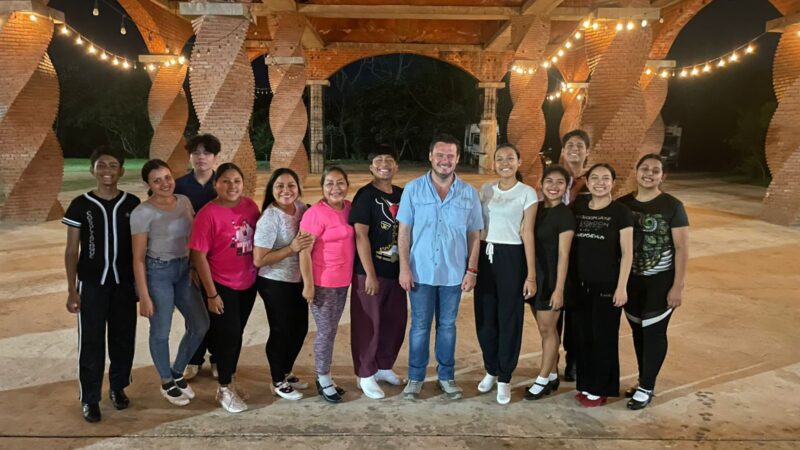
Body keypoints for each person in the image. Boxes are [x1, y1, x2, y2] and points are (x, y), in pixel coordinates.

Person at [397, 133, 483, 400]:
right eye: (440, 155)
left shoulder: (469, 193)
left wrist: (471, 270)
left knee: (447, 326)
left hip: (453, 274)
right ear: (430, 156)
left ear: (457, 158)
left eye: (450, 156)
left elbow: (474, 235)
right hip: (420, 272)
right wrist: (404, 268)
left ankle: (446, 377)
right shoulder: (413, 189)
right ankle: (415, 378)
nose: (445, 160)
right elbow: (404, 233)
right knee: (420, 326)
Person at [62, 146, 140, 423]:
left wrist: (141, 285)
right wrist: (72, 289)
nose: (107, 171)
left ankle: (118, 387)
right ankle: (90, 397)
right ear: (92, 170)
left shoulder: (132, 203)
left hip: (124, 284)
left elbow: (141, 247)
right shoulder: (80, 204)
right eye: (101, 165)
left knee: (123, 338)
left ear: (121, 170)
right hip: (92, 284)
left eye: (113, 165)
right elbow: (72, 250)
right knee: (91, 342)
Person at [131, 159, 210, 406]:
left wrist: (194, 266)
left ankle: (177, 371)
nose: (164, 183)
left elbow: (194, 236)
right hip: (158, 272)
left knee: (200, 324)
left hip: (184, 269)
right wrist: (144, 295)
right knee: (161, 331)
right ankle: (166, 381)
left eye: (167, 177)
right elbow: (138, 258)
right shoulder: (143, 212)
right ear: (148, 184)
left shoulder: (184, 201)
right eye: (157, 180)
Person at [619, 154, 689, 410]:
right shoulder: (623, 204)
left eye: (655, 170)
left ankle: (647, 386)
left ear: (663, 176)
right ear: (636, 171)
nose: (649, 174)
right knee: (638, 331)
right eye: (645, 168)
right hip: (631, 280)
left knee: (654, 332)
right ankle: (643, 380)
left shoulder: (673, 206)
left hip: (660, 281)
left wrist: (677, 286)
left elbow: (681, 248)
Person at [189, 163, 259, 413]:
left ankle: (231, 377)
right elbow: (199, 256)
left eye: (237, 181)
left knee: (236, 334)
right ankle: (224, 388)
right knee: (228, 336)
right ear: (215, 184)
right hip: (221, 284)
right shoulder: (207, 214)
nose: (232, 186)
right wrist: (211, 294)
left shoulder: (250, 207)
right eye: (226, 181)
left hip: (248, 283)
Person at [474, 143, 538, 405]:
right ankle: (491, 369)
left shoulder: (527, 193)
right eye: (499, 158)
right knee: (485, 318)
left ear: (518, 162)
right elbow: (477, 228)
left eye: (510, 158)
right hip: (485, 255)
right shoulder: (486, 189)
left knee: (509, 318)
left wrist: (531, 275)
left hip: (512, 257)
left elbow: (528, 233)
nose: (505, 163)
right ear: (494, 163)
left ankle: (505, 377)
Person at [572, 163, 633, 407]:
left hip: (607, 285)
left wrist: (622, 286)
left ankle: (601, 388)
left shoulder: (621, 212)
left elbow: (627, 253)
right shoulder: (579, 209)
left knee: (603, 338)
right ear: (587, 182)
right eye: (595, 178)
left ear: (612, 183)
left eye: (605, 178)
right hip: (580, 285)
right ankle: (586, 384)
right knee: (583, 337)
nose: (600, 182)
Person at [349, 147, 407, 400]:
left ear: (396, 167)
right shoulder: (365, 195)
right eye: (378, 160)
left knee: (394, 322)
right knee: (368, 325)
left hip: (397, 272)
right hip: (370, 272)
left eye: (389, 160)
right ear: (371, 168)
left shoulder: (402, 195)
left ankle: (383, 367)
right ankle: (365, 373)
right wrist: (369, 274)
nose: (384, 164)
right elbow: (360, 235)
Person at [253, 168, 315, 401]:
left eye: (291, 185)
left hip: (297, 280)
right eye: (280, 186)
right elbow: (259, 260)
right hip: (274, 281)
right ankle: (277, 380)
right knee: (281, 330)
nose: (286, 190)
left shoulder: (301, 208)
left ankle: (286, 371)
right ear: (272, 189)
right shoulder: (270, 218)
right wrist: (291, 248)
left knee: (299, 329)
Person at [299, 166, 355, 403]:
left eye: (340, 182)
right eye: (329, 183)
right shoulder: (315, 214)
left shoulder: (349, 208)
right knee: (326, 332)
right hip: (323, 283)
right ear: (322, 188)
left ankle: (326, 376)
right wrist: (308, 285)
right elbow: (304, 251)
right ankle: (322, 378)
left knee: (331, 330)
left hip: (343, 282)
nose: (335, 188)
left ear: (347, 185)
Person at [525, 165, 575, 401]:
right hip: (536, 277)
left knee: (548, 330)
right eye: (549, 181)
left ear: (566, 187)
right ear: (541, 184)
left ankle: (543, 379)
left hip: (553, 279)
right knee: (544, 328)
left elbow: (564, 255)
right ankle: (553, 373)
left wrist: (559, 290)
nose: (554, 186)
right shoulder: (537, 209)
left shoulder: (565, 215)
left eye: (560, 182)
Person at [178, 134, 220, 381]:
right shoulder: (180, 186)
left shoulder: (222, 183)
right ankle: (194, 358)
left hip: (219, 258)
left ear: (215, 157)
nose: (201, 157)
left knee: (217, 311)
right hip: (189, 258)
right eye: (196, 152)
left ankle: (217, 357)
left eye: (206, 153)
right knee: (194, 311)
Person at [558, 129, 591, 382]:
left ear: (587, 152)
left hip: (582, 256)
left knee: (577, 313)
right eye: (570, 145)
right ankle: (550, 363)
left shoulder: (593, 181)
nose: (575, 149)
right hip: (556, 256)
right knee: (553, 313)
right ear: (563, 150)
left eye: (580, 145)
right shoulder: (554, 179)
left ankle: (574, 360)